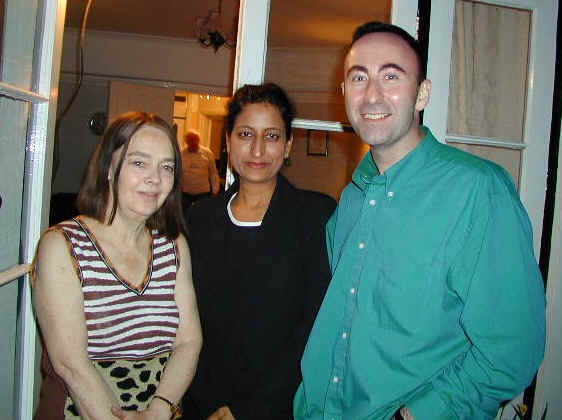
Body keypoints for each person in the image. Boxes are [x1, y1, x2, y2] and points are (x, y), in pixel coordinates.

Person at [294, 21, 546, 420]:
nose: (371, 94)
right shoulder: (353, 197)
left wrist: (416, 414)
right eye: (358, 78)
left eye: (391, 76)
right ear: (343, 93)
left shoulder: (477, 191)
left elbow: (512, 349)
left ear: (422, 93)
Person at [32, 111, 202, 420]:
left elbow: (189, 342)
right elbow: (70, 365)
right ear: (109, 168)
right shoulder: (63, 246)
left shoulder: (173, 246)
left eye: (167, 167)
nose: (155, 178)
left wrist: (159, 409)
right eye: (139, 163)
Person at [182, 83, 337, 420]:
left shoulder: (315, 216)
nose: (257, 149)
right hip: (203, 403)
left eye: (271, 136)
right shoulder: (200, 219)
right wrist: (210, 401)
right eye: (245, 134)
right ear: (227, 141)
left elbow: (314, 326)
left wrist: (248, 410)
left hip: (278, 406)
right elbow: (184, 318)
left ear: (288, 145)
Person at [180, 129, 220, 208]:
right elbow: (178, 173)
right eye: (191, 140)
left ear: (199, 140)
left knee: (201, 213)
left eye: (195, 140)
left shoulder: (207, 153)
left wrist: (215, 190)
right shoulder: (181, 154)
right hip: (185, 193)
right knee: (184, 213)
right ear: (186, 141)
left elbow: (213, 173)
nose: (193, 142)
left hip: (203, 192)